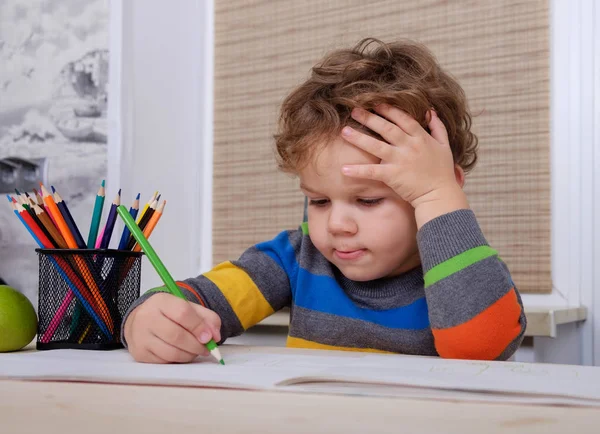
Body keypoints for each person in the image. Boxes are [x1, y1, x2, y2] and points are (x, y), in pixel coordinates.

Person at [123, 38, 526, 364]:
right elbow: (193, 300)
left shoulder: (467, 269)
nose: (336, 225)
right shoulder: (296, 258)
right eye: (318, 201)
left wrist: (439, 197)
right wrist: (149, 319)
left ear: (443, 190)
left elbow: (480, 350)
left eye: (367, 200)